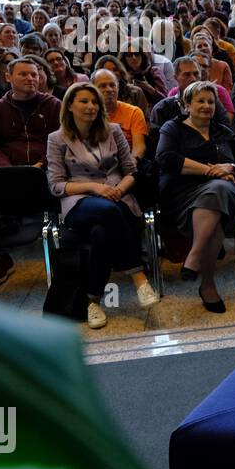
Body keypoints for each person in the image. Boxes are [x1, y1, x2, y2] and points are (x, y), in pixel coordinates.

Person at [46, 83, 159, 328]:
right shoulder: (57, 139)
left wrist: (120, 188)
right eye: (84, 101)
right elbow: (56, 185)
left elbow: (132, 171)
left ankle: (92, 301)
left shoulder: (113, 130)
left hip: (119, 196)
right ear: (70, 106)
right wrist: (95, 188)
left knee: (101, 233)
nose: (91, 106)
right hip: (80, 200)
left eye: (95, 102)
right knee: (108, 211)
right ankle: (139, 276)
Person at [155, 81, 235, 313]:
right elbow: (166, 158)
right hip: (183, 194)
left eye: (211, 101)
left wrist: (228, 167)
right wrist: (209, 170)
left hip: (225, 192)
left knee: (219, 189)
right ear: (186, 105)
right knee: (215, 219)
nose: (207, 105)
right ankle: (207, 285)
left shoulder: (223, 131)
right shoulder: (173, 128)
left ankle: (194, 256)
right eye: (200, 101)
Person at [0, 58, 61, 168]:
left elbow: (60, 141)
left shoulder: (54, 105)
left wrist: (41, 164)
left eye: (34, 75)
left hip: (48, 167)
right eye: (23, 74)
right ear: (8, 77)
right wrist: (7, 168)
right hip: (8, 170)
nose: (30, 78)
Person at [91, 68, 149, 159]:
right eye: (103, 86)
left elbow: (139, 147)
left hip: (126, 163)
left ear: (118, 88)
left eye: (112, 85)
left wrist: (130, 168)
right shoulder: (86, 113)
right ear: (93, 89)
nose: (109, 89)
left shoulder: (133, 112)